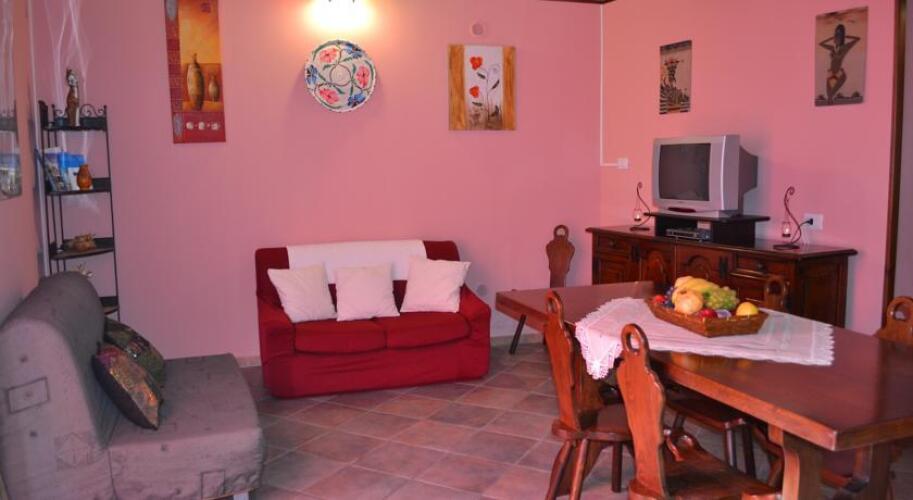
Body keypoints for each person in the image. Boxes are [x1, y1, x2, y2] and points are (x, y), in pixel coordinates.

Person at [819, 24, 861, 103]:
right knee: (829, 97)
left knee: (830, 96)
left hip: (839, 74)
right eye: (835, 35)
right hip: (831, 73)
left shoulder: (845, 47)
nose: (836, 37)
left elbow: (858, 39)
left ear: (842, 37)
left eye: (838, 35)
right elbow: (820, 44)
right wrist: (830, 38)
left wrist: (848, 37)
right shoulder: (832, 48)